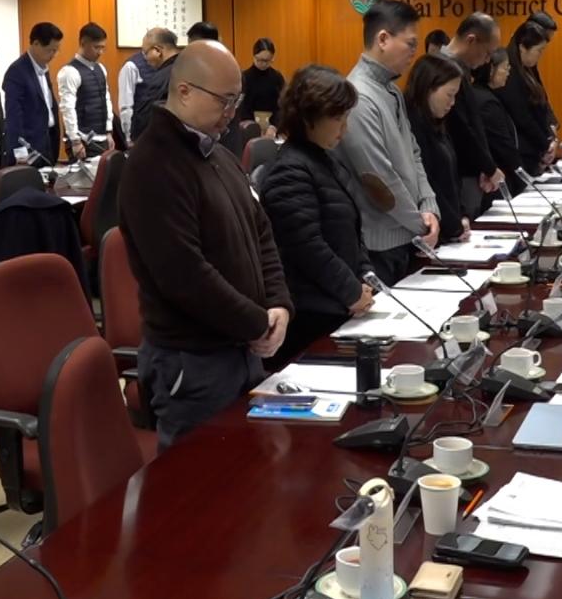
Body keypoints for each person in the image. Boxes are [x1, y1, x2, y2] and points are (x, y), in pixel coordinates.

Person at [119, 41, 292, 449]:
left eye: (237, 101)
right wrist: (256, 323)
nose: (232, 113)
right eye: (224, 101)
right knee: (197, 480)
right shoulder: (153, 165)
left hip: (241, 348)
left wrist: (278, 304)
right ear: (184, 91)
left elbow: (261, 232)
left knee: (247, 470)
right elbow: (185, 276)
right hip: (192, 362)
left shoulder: (217, 154)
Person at [260, 66, 373, 364]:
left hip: (338, 304)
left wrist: (365, 276)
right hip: (310, 314)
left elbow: (350, 229)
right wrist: (351, 291)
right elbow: (306, 247)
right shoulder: (289, 170)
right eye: (337, 118)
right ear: (309, 116)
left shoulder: (324, 159)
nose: (344, 129)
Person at [337, 0, 440, 285]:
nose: (414, 52)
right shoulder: (358, 96)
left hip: (409, 232)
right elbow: (379, 180)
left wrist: (429, 206)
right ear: (383, 39)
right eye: (410, 44)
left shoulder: (391, 91)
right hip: (378, 245)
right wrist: (421, 223)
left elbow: (414, 153)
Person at [440, 13, 505, 216]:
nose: (488, 60)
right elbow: (460, 126)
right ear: (471, 40)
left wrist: (485, 166)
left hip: (471, 170)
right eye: (487, 52)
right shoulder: (442, 69)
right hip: (457, 172)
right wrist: (488, 166)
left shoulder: (460, 68)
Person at [405, 55, 470, 243]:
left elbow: (452, 178)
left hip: (450, 229)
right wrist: (454, 225)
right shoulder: (413, 125)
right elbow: (429, 181)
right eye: (449, 95)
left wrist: (462, 215)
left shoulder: (437, 123)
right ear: (429, 88)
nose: (453, 102)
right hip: (431, 232)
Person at [130, 23, 220, 141]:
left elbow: (144, 122)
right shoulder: (194, 68)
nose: (145, 58)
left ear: (158, 50)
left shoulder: (161, 78)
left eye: (145, 53)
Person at [497, 21, 556, 175]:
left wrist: (550, 135)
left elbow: (542, 105)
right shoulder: (510, 74)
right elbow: (522, 117)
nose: (540, 55)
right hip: (522, 152)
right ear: (522, 47)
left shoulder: (528, 69)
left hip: (534, 149)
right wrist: (545, 143)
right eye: (539, 51)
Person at [2, 22, 62, 167]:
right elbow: (14, 116)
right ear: (36, 43)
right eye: (50, 50)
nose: (54, 55)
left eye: (56, 50)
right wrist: (20, 152)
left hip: (48, 141)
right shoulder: (17, 72)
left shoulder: (43, 68)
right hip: (30, 147)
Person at [57, 22, 114, 160]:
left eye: (103, 47)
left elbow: (106, 99)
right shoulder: (69, 71)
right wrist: (75, 140)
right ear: (83, 43)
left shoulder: (101, 68)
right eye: (96, 47)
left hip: (102, 137)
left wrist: (109, 131)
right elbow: (67, 108)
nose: (100, 52)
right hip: (82, 139)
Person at [471, 49, 522, 186]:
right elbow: (503, 145)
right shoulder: (487, 102)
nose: (508, 72)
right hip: (495, 178)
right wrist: (522, 177)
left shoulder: (486, 94)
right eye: (505, 67)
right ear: (491, 69)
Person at [118, 28, 160, 142]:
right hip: (140, 131)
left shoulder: (165, 65)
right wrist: (128, 136)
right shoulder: (131, 66)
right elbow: (126, 105)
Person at [238, 38, 285, 136]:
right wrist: (252, 127)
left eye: (267, 61)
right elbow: (242, 107)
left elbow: (282, 106)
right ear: (254, 56)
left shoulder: (277, 78)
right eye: (259, 60)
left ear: (272, 58)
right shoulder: (245, 77)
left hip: (272, 129)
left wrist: (274, 126)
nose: (263, 64)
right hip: (249, 127)